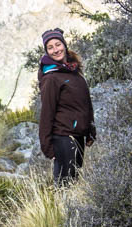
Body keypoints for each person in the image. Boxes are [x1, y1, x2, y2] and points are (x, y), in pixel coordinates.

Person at [37, 27, 95, 185]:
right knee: (65, 186)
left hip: (78, 136)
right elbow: (46, 114)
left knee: (75, 182)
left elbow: (85, 103)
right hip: (63, 137)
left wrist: (90, 129)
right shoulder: (51, 78)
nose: (56, 50)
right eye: (50, 47)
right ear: (47, 52)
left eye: (58, 44)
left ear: (64, 44)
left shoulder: (73, 71)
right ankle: (58, 210)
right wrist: (47, 146)